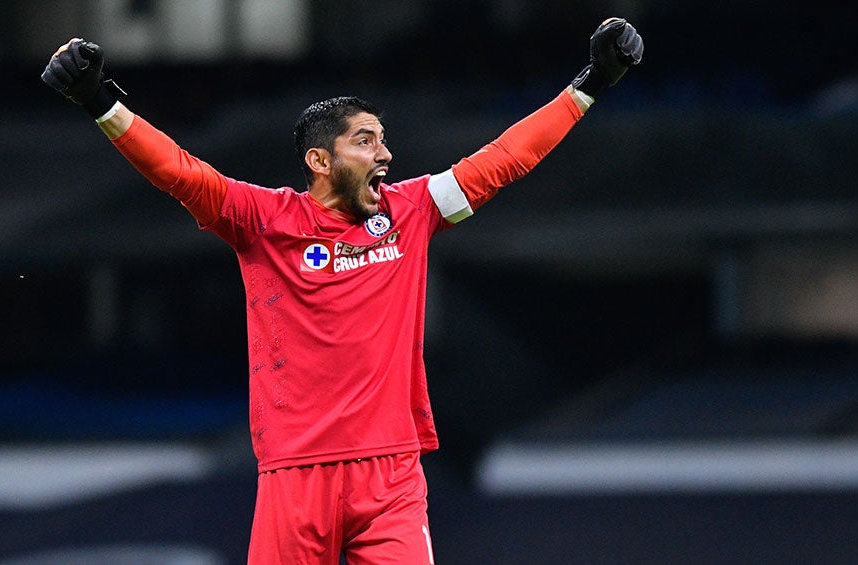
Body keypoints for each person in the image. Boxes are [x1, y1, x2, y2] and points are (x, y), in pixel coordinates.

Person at [42, 17, 642, 564]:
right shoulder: (263, 220)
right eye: (366, 141)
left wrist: (589, 84)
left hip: (391, 476)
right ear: (320, 160)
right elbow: (180, 171)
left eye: (382, 139)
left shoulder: (412, 211)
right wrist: (100, 102)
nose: (385, 153)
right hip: (295, 478)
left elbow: (504, 160)